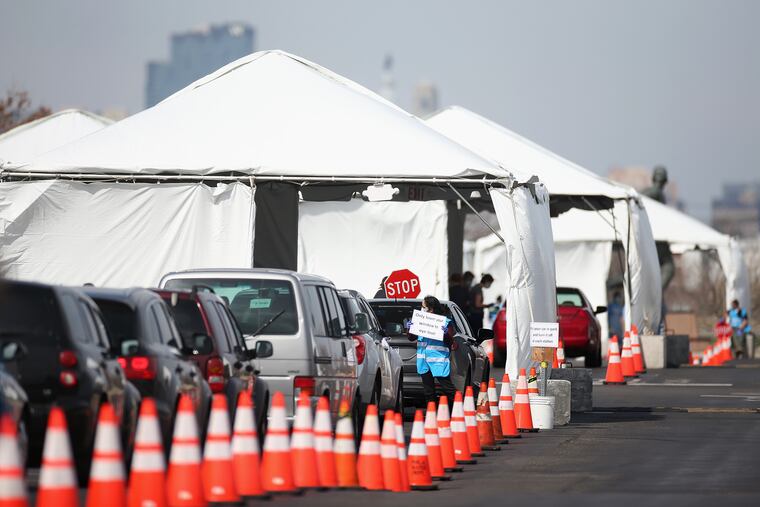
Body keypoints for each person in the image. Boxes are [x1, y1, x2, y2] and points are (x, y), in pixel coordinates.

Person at [406, 296, 456, 406]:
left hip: (438, 360)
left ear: (431, 309)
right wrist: (409, 328)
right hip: (423, 361)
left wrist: (445, 333)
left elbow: (450, 342)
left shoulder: (445, 322)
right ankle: (431, 414)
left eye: (424, 307)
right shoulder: (420, 321)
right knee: (428, 391)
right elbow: (411, 338)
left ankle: (460, 410)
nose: (422, 309)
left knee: (448, 389)